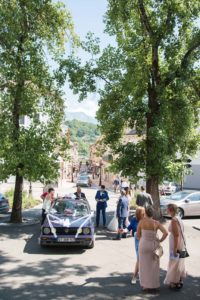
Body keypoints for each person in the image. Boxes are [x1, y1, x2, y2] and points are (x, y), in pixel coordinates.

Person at [137, 206, 168, 292]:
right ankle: (154, 285)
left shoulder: (141, 222)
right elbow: (166, 233)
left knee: (144, 266)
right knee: (154, 266)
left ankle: (145, 286)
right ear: (152, 213)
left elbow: (138, 235)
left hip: (143, 245)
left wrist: (142, 240)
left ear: (145, 213)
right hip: (154, 245)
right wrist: (160, 240)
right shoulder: (156, 223)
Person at [164, 204, 186, 289]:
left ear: (170, 210)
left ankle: (174, 281)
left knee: (174, 262)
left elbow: (176, 235)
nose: (166, 210)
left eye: (167, 209)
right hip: (182, 242)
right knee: (179, 261)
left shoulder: (174, 220)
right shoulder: (179, 217)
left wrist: (175, 248)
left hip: (176, 243)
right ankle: (179, 279)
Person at [127, 207, 145, 284]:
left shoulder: (145, 220)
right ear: (138, 214)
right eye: (142, 213)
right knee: (139, 258)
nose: (144, 214)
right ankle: (135, 276)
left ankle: (139, 275)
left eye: (144, 213)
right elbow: (129, 227)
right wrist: (123, 230)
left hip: (145, 240)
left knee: (142, 258)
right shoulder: (134, 219)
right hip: (137, 240)